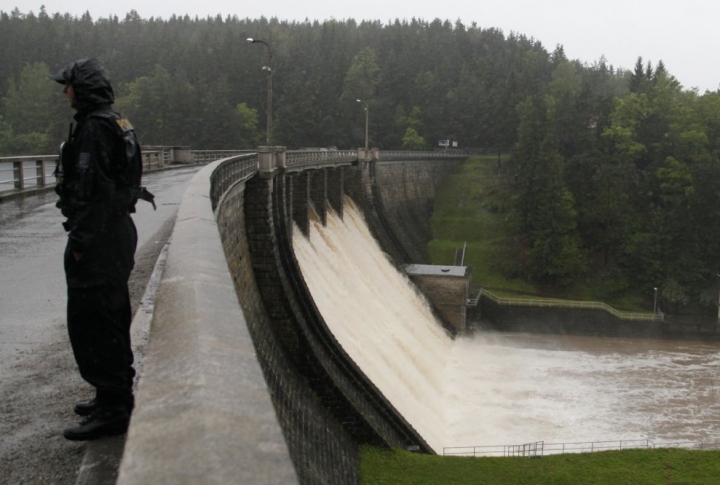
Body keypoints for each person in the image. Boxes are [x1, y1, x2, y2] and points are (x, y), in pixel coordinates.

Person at [51, 58, 143, 441]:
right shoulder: (116, 121)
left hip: (101, 239)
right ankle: (114, 391)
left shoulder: (93, 129)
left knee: (93, 320)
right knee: (112, 314)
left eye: (68, 84)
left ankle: (113, 407)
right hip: (118, 231)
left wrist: (80, 245)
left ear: (82, 88)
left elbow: (93, 190)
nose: (64, 91)